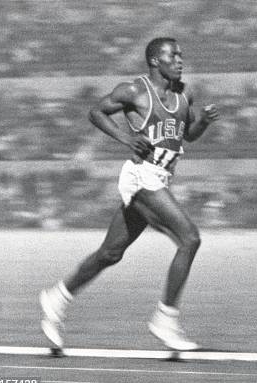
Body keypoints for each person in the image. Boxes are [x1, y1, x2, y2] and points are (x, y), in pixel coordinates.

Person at [40, 37, 218, 351]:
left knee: (110, 254)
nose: (179, 60)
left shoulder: (185, 93)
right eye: (172, 55)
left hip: (160, 178)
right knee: (189, 238)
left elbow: (186, 135)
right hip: (142, 177)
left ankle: (56, 297)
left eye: (180, 55)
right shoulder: (134, 91)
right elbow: (96, 112)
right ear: (154, 61)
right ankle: (165, 318)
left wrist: (202, 122)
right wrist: (126, 139)